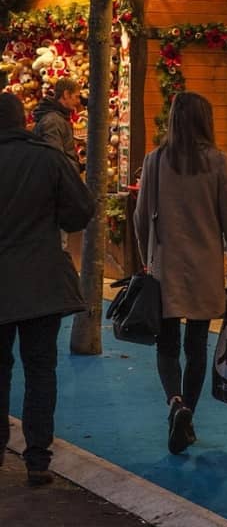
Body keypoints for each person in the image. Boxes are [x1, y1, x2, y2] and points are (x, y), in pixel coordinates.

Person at [134, 91, 227, 456]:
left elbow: (140, 217)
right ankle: (189, 416)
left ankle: (175, 402)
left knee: (166, 346)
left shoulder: (154, 161)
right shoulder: (217, 162)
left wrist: (147, 258)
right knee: (196, 346)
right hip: (205, 266)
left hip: (164, 266)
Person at [0, 92, 93, 487]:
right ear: (24, 120)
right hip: (42, 282)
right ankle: (37, 457)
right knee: (41, 369)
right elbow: (81, 211)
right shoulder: (49, 158)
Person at [32, 77, 82, 162]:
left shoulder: (59, 118)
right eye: (76, 96)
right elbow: (55, 160)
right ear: (66, 94)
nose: (78, 101)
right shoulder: (53, 121)